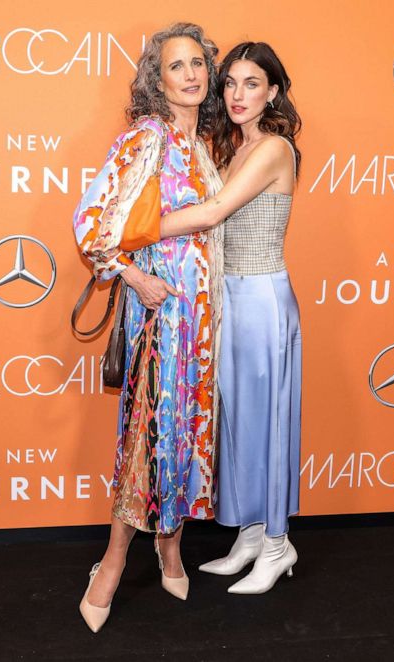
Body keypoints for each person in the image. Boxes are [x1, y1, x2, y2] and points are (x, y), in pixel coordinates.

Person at [71, 23, 223, 632]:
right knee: (147, 434)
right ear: (156, 82)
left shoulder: (205, 144)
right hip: (161, 313)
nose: (190, 74)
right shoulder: (147, 137)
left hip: (204, 322)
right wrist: (133, 278)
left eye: (197, 64)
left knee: (187, 430)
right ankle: (109, 565)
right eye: (176, 66)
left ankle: (170, 546)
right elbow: (91, 224)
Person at [159, 41, 302, 594]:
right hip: (226, 300)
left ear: (272, 92)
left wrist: (135, 224)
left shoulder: (274, 148)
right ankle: (249, 533)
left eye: (252, 84)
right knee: (237, 424)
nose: (238, 95)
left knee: (267, 422)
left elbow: (215, 213)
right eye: (231, 83)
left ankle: (277, 543)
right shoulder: (229, 148)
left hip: (263, 299)